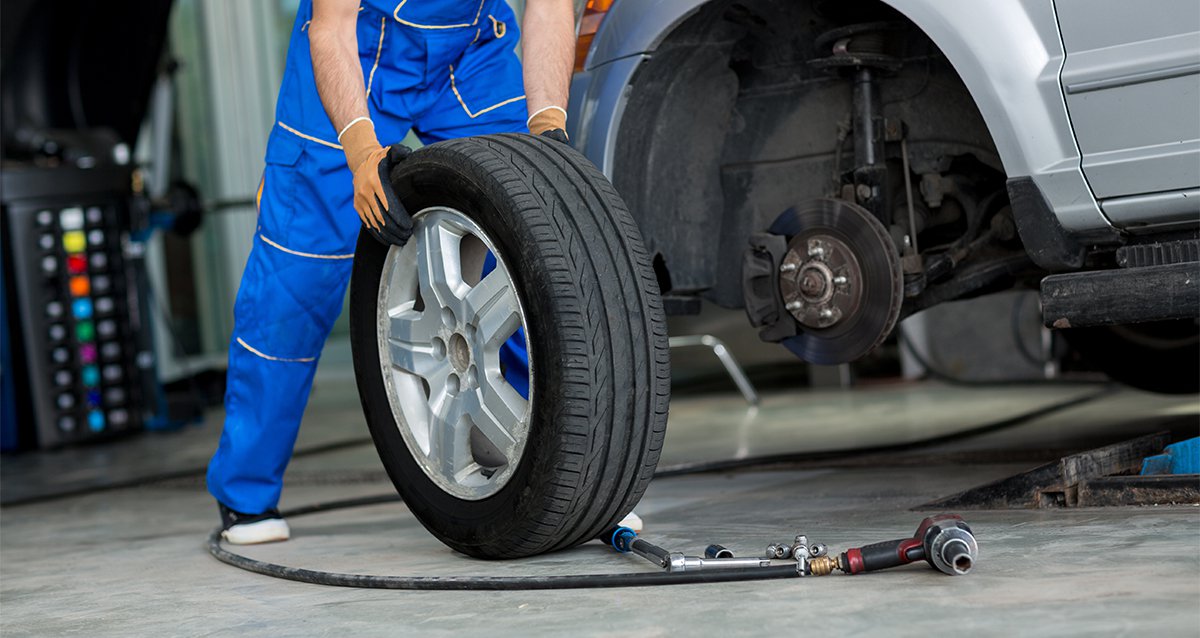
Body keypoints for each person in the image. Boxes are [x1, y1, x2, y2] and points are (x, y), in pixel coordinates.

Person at [206, 0, 576, 544]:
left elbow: (549, 7)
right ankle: (246, 489)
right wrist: (359, 153)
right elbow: (330, 27)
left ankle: (564, 473)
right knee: (297, 277)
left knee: (532, 233)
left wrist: (548, 130)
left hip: (469, 51)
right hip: (355, 44)